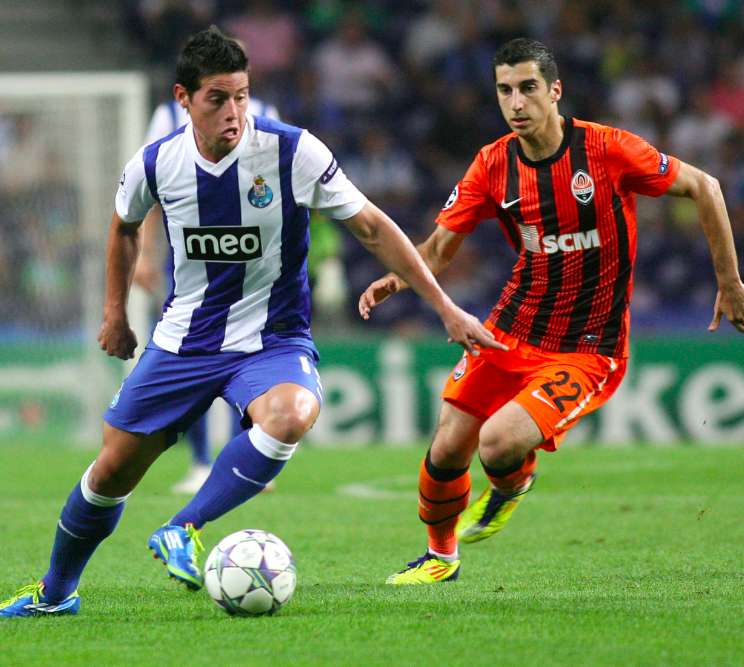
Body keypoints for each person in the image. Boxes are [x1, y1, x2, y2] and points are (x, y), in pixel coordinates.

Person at [0, 26, 497, 617]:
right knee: (110, 472)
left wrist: (444, 305)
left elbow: (372, 226)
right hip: (183, 341)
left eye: (240, 95)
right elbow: (124, 227)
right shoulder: (156, 163)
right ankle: (56, 595)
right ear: (183, 99)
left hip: (273, 339)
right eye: (217, 98)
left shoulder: (292, 151)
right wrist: (115, 312)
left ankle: (183, 527)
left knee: (292, 414)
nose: (233, 112)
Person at [359, 38, 744, 585]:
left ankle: (514, 483)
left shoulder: (608, 150)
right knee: (447, 446)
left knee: (497, 444)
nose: (516, 103)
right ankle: (440, 558)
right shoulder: (492, 164)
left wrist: (729, 282)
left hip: (588, 347)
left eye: (528, 89)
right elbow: (441, 247)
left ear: (555, 91)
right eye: (505, 91)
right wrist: (397, 278)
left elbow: (705, 186)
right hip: (510, 328)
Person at [134, 88, 280, 495]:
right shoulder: (167, 116)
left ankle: (245, 456)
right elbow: (150, 190)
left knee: (249, 355)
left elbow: (279, 182)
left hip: (249, 260)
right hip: (190, 261)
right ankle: (200, 462)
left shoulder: (266, 112)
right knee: (190, 357)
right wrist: (145, 256)